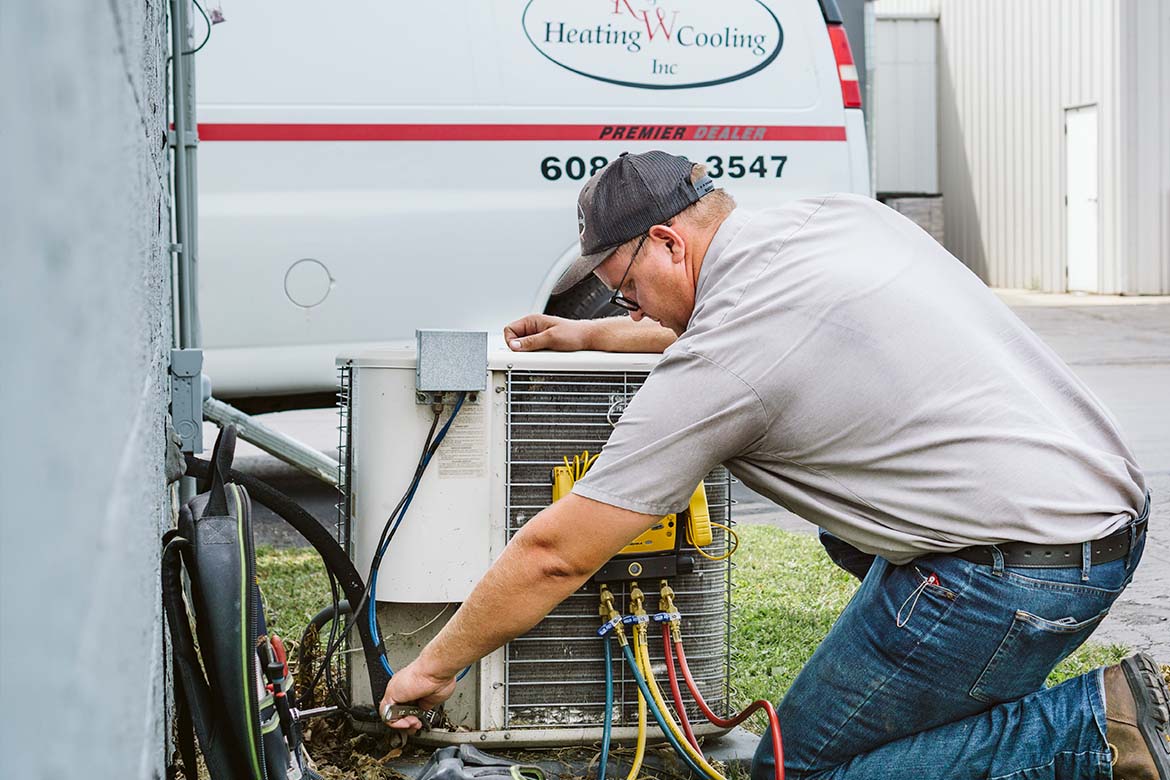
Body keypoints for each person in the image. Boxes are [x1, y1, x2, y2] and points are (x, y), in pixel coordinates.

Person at [382, 151, 1168, 780]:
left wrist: (434, 666)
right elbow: (744, 331)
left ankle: (1106, 727)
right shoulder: (831, 224)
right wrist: (585, 337)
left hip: (1008, 575)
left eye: (624, 291)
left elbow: (556, 555)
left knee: (797, 772)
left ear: (667, 241)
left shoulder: (728, 357)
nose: (630, 312)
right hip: (1095, 518)